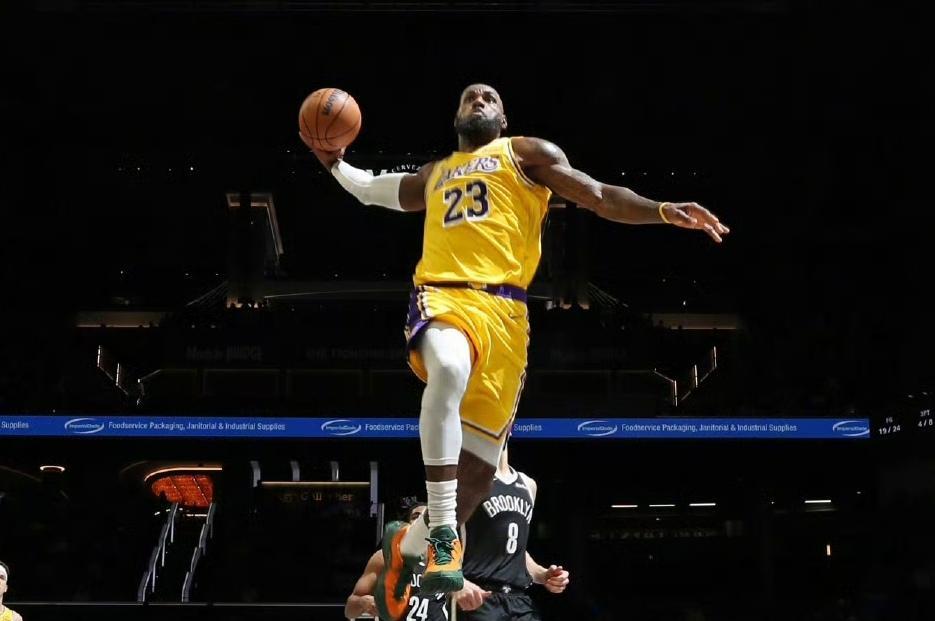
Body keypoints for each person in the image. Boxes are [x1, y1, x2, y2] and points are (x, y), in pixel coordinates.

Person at [304, 83, 729, 620]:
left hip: (508, 318)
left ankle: (405, 546)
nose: (478, 99)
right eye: (468, 97)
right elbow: (370, 189)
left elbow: (599, 195)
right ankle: (441, 538)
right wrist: (335, 162)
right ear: (456, 117)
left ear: (503, 118)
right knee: (448, 367)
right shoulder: (435, 173)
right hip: (445, 294)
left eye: (489, 97)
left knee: (478, 479)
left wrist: (663, 210)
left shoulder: (526, 154)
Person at [453, 442, 568, 621]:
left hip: (518, 600)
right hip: (478, 597)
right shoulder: (465, 478)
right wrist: (455, 581)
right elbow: (438, 536)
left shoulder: (528, 484)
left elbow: (515, 549)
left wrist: (542, 574)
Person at [345, 500, 448, 621]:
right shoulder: (384, 557)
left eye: (426, 519)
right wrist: (363, 602)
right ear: (408, 524)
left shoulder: (446, 559)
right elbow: (349, 611)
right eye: (416, 517)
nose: (420, 522)